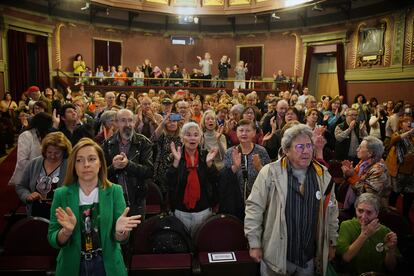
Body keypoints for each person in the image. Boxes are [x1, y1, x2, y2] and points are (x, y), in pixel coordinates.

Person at [245, 124, 338, 276]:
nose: (306, 151)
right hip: (276, 257)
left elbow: (332, 212)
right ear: (286, 150)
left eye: (309, 146)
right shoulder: (270, 173)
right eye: (300, 146)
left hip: (308, 259)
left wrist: (332, 241)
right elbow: (254, 208)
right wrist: (254, 243)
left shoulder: (323, 176)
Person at [47, 138, 141, 276]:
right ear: (73, 165)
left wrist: (120, 232)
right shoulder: (61, 194)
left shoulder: (115, 191)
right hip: (72, 266)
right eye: (79, 160)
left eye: (91, 159)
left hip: (107, 265)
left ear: (100, 163)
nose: (86, 165)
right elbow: (52, 238)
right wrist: (66, 232)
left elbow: (122, 239)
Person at [167, 122, 219, 236]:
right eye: (188, 135)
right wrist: (175, 163)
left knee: (201, 241)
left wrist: (209, 164)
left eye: (196, 135)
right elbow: (168, 182)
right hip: (180, 210)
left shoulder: (206, 155)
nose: (192, 138)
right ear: (182, 137)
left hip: (203, 209)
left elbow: (215, 179)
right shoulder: (175, 155)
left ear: (200, 138)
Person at [102, 109, 153, 217]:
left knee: (138, 232)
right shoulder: (108, 144)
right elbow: (101, 173)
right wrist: (113, 167)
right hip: (113, 197)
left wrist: (128, 165)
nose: (128, 124)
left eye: (130, 120)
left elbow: (149, 171)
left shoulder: (144, 142)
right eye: (123, 121)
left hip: (137, 199)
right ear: (116, 123)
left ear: (135, 123)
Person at [336, 193, 399, 275]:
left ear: (377, 213)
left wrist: (390, 251)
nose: (363, 216)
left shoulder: (384, 231)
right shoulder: (347, 226)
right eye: (360, 211)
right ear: (355, 209)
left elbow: (391, 267)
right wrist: (365, 234)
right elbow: (346, 258)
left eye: (369, 212)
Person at [220, 119, 270, 220]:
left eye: (248, 131)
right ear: (236, 132)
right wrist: (234, 168)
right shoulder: (230, 152)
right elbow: (223, 179)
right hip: (235, 202)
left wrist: (259, 168)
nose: (244, 133)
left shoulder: (261, 151)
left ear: (254, 133)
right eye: (241, 130)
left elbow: (270, 178)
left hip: (257, 202)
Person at [15, 132, 72, 218]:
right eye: (49, 152)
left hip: (60, 215)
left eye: (57, 153)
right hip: (35, 212)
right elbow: (20, 186)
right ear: (44, 150)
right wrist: (27, 195)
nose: (52, 156)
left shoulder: (70, 166)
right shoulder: (34, 163)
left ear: (64, 152)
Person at [342, 136, 391, 208]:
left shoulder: (379, 169)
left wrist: (352, 176)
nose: (357, 149)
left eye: (360, 147)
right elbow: (353, 180)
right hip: (359, 204)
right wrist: (347, 174)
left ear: (370, 153)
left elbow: (368, 194)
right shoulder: (363, 162)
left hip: (371, 210)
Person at [9, 112, 53, 186]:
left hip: (41, 175)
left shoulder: (43, 134)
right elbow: (22, 161)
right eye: (48, 126)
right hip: (27, 175)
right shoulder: (26, 135)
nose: (50, 128)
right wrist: (41, 167)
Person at [386, 116, 414, 219]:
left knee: (409, 194)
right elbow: (395, 140)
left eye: (410, 122)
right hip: (399, 170)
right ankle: (391, 215)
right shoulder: (397, 134)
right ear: (401, 125)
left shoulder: (413, 137)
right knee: (395, 192)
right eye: (406, 122)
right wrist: (408, 133)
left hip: (411, 172)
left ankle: (406, 216)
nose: (409, 123)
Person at [151, 113, 182, 203]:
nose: (172, 123)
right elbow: (152, 139)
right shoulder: (162, 136)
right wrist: (163, 122)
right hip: (162, 171)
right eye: (169, 122)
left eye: (174, 121)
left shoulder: (181, 137)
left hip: (177, 170)